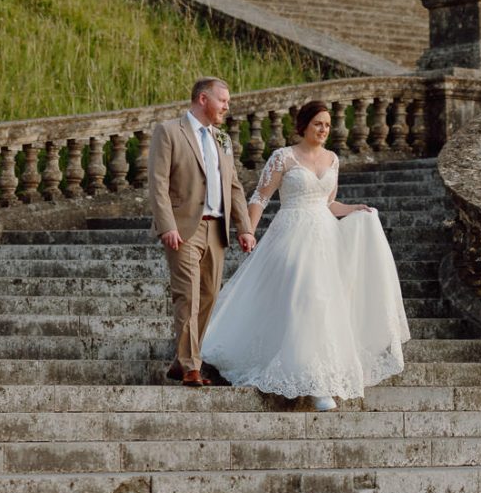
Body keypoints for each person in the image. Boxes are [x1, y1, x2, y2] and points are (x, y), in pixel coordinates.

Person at [200, 98, 410, 410]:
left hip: (326, 237)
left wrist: (355, 209)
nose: (324, 129)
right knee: (304, 292)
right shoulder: (283, 157)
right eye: (318, 124)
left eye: (327, 125)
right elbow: (261, 195)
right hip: (291, 234)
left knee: (323, 301)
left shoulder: (333, 159)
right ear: (304, 126)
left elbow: (327, 203)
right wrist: (248, 230)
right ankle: (304, 376)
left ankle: (319, 381)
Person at [147, 77, 256, 387]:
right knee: (188, 296)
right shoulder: (169, 132)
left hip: (216, 229)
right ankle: (191, 366)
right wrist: (166, 225)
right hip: (184, 228)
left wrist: (244, 228)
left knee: (208, 296)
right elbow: (157, 184)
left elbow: (233, 186)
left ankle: (181, 360)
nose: (227, 107)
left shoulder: (222, 139)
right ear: (203, 99)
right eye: (223, 101)